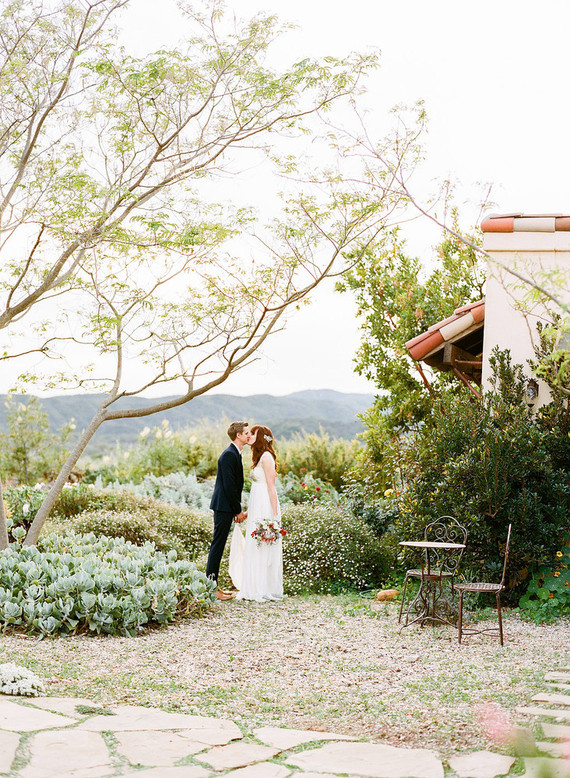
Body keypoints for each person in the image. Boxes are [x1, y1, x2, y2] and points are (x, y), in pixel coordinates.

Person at [229, 424, 283, 602]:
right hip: (257, 505)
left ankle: (263, 588)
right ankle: (254, 587)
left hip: (266, 506)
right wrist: (247, 512)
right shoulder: (259, 457)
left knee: (263, 546)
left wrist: (274, 516)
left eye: (253, 433)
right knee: (256, 544)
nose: (249, 435)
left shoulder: (267, 457)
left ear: (261, 438)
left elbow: (271, 488)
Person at [206, 421, 249, 600]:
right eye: (246, 432)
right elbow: (230, 486)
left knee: (219, 544)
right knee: (217, 545)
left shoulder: (234, 453)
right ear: (238, 435)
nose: (248, 435)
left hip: (225, 506)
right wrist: (237, 511)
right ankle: (212, 588)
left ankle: (215, 587)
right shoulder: (229, 455)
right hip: (223, 506)